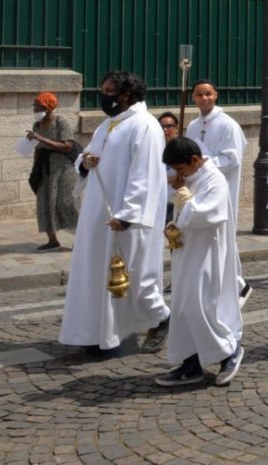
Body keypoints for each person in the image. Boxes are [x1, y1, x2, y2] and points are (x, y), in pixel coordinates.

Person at [60, 71, 171, 353]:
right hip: (97, 214)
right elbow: (86, 158)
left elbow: (144, 175)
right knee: (95, 274)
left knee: (134, 277)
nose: (103, 96)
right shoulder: (107, 125)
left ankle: (162, 318)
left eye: (108, 91)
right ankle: (97, 334)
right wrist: (84, 164)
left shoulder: (144, 126)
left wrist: (128, 215)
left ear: (125, 95)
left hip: (127, 218)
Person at [155, 137, 243, 387]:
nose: (178, 174)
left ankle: (229, 351)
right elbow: (183, 210)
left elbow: (204, 214)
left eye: (180, 168)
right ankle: (190, 363)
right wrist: (174, 223)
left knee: (200, 305)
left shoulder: (214, 180)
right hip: (186, 250)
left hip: (206, 252)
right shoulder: (191, 178)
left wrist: (182, 196)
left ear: (194, 160)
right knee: (182, 307)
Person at [185, 81, 251, 304]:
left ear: (216, 95)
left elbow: (232, 159)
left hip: (221, 189)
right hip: (199, 188)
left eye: (208, 94)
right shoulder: (194, 126)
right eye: (199, 95)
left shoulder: (227, 125)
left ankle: (237, 284)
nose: (204, 98)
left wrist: (203, 164)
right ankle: (213, 283)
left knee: (222, 237)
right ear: (193, 97)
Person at [26, 91, 79, 251]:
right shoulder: (37, 125)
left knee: (66, 203)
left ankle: (82, 237)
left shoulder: (60, 122)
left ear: (49, 108)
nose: (35, 109)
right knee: (43, 203)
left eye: (39, 106)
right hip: (44, 168)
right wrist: (35, 169)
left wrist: (41, 139)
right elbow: (37, 148)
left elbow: (67, 146)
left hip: (63, 168)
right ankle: (52, 240)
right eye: (34, 105)